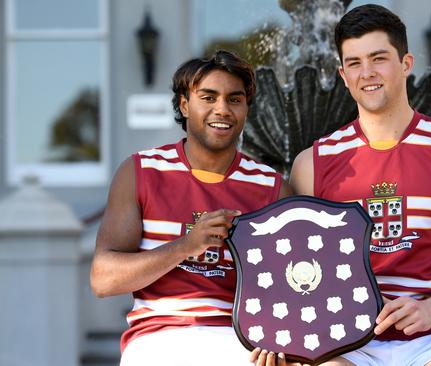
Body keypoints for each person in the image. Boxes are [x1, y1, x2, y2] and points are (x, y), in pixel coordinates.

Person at [254, 4, 431, 366]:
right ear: (342, 74)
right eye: (354, 63)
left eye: (378, 58)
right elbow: (293, 269)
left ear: (406, 63)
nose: (367, 73)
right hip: (342, 337)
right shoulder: (312, 164)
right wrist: (278, 333)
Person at [90, 50, 292, 366]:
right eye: (208, 98)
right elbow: (103, 279)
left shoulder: (271, 186)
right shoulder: (141, 172)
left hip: (240, 340)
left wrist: (279, 340)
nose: (222, 109)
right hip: (158, 338)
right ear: (185, 105)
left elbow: (288, 286)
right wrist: (187, 245)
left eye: (234, 100)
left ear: (246, 108)